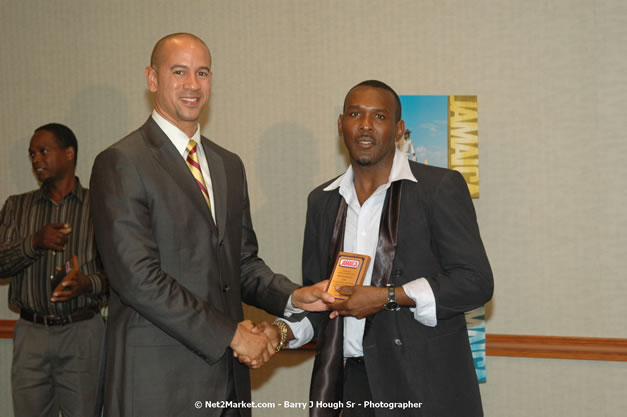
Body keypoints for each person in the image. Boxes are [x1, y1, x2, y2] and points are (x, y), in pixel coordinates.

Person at [89, 33, 332, 417]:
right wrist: (232, 334)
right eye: (179, 72)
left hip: (228, 384)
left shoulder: (227, 164)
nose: (192, 85)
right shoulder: (121, 162)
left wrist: (292, 297)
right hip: (157, 384)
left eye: (202, 73)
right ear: (152, 79)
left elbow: (242, 263)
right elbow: (137, 279)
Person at [289, 80, 493, 417]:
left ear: (398, 129)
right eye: (355, 114)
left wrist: (387, 296)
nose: (365, 125)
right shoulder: (322, 201)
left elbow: (476, 282)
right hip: (352, 383)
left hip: (426, 385)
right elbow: (318, 298)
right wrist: (279, 331)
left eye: (379, 116)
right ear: (341, 125)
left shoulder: (438, 188)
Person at [0, 123, 107, 417]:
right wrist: (33, 242)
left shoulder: (100, 206)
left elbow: (124, 273)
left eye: (44, 151)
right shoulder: (16, 207)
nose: (36, 160)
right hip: (31, 333)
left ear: (69, 153)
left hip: (83, 332)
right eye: (32, 154)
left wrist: (89, 283)